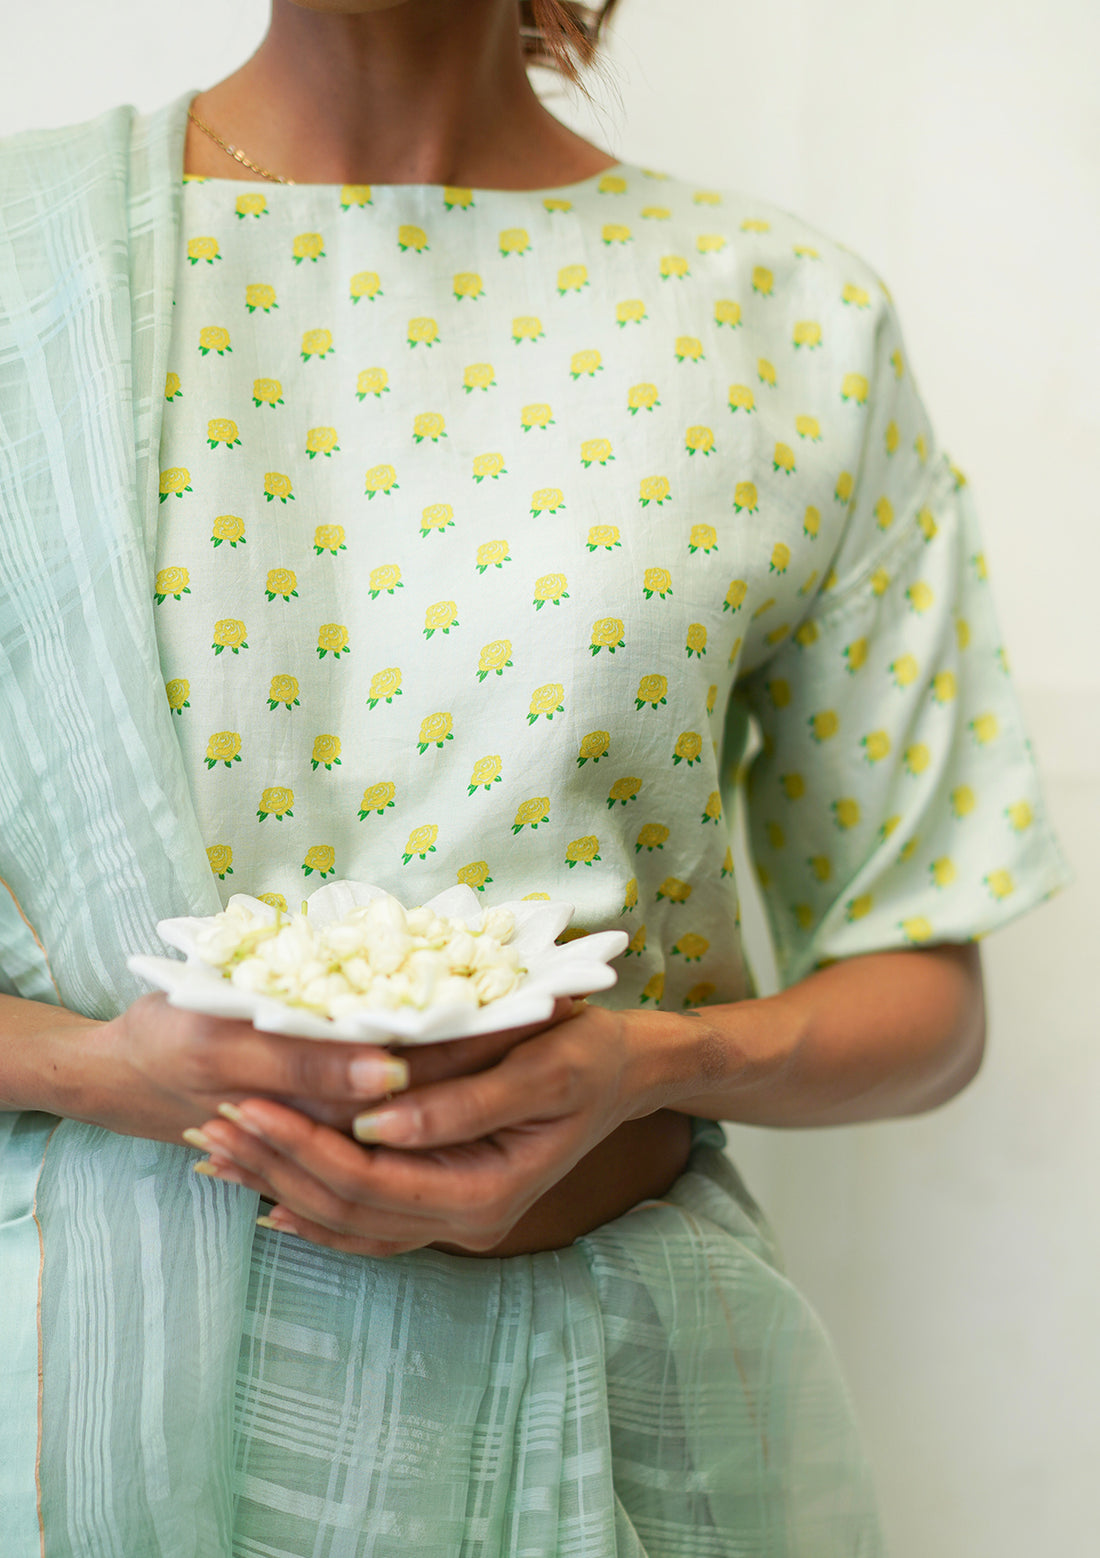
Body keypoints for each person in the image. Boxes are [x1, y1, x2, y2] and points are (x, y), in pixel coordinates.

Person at [0, 1, 1071, 1553]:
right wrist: (107, 1072)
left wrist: (648, 1062)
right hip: (76, 1424)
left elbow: (926, 991)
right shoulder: (29, 273)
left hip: (618, 1432)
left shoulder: (776, 316)